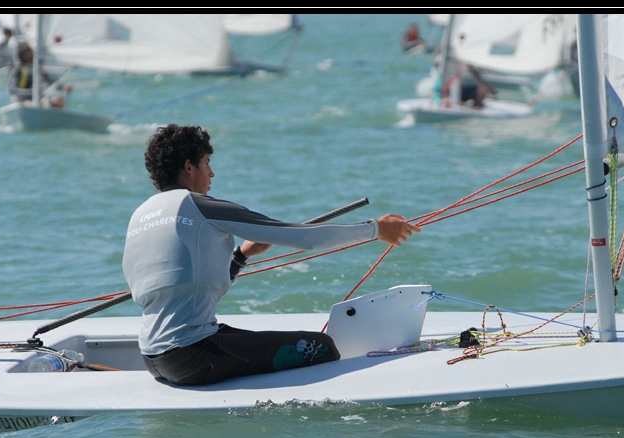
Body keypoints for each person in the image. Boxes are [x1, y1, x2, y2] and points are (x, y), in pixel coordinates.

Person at [123, 124, 420, 387]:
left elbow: (187, 291)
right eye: (206, 163)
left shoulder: (140, 216)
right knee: (321, 347)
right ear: (189, 167)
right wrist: (375, 229)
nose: (211, 173)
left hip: (153, 357)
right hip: (193, 358)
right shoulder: (201, 206)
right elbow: (305, 238)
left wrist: (241, 256)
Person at [7, 42, 71, 107]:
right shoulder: (18, 70)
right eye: (25, 51)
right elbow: (12, 90)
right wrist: (32, 92)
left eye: (29, 49)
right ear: (20, 55)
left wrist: (63, 87)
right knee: (36, 104)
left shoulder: (37, 68)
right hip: (21, 101)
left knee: (58, 102)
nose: (29, 52)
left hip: (38, 99)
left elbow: (52, 82)